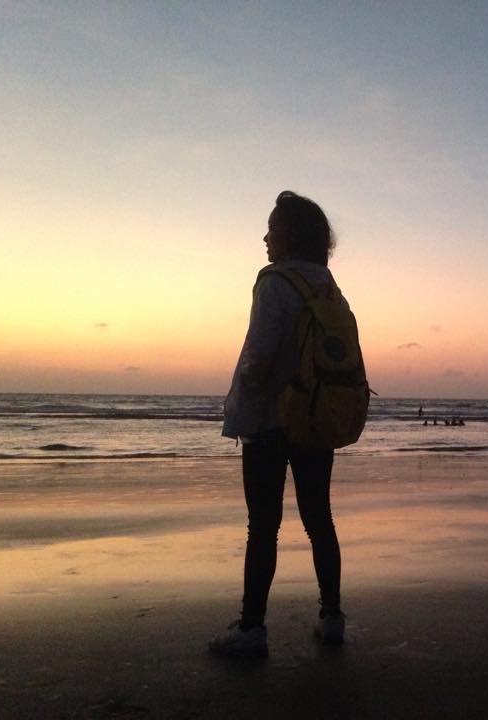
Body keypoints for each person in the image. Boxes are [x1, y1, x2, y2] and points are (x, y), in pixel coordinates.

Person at [210, 191, 348, 658]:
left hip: (270, 422)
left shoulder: (275, 282)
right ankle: (332, 617)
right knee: (319, 520)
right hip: (315, 419)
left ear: (289, 233)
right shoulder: (327, 285)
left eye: (272, 226)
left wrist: (241, 400)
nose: (265, 236)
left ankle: (252, 628)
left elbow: (257, 356)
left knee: (263, 527)